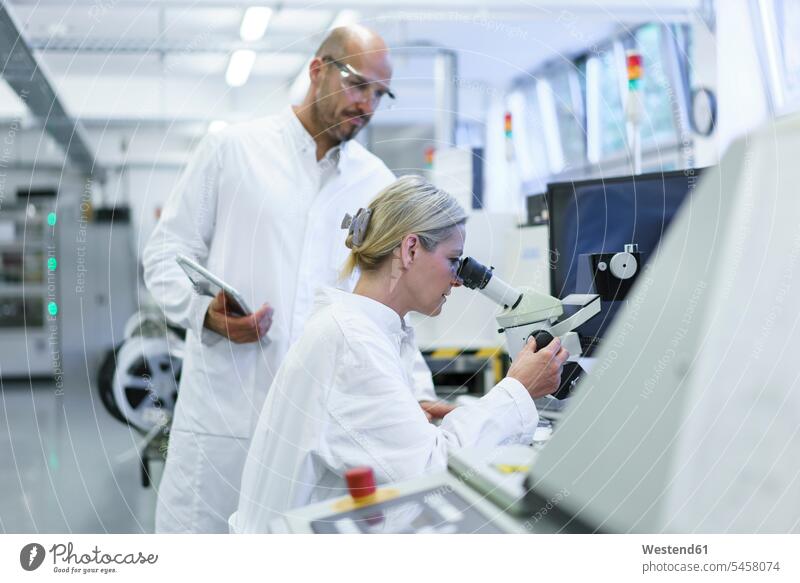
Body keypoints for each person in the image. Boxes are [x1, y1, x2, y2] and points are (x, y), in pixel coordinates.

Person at [142, 25, 443, 534]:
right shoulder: (232, 151)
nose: (367, 104)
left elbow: (388, 308)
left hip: (321, 432)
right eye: (357, 84)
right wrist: (203, 315)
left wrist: (410, 395)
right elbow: (166, 253)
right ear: (317, 70)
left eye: (379, 94)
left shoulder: (377, 183)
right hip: (225, 420)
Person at [235, 175, 570, 532]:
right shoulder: (353, 343)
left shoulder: (363, 329)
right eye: (453, 260)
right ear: (410, 249)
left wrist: (408, 417)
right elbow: (433, 475)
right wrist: (518, 390)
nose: (458, 280)